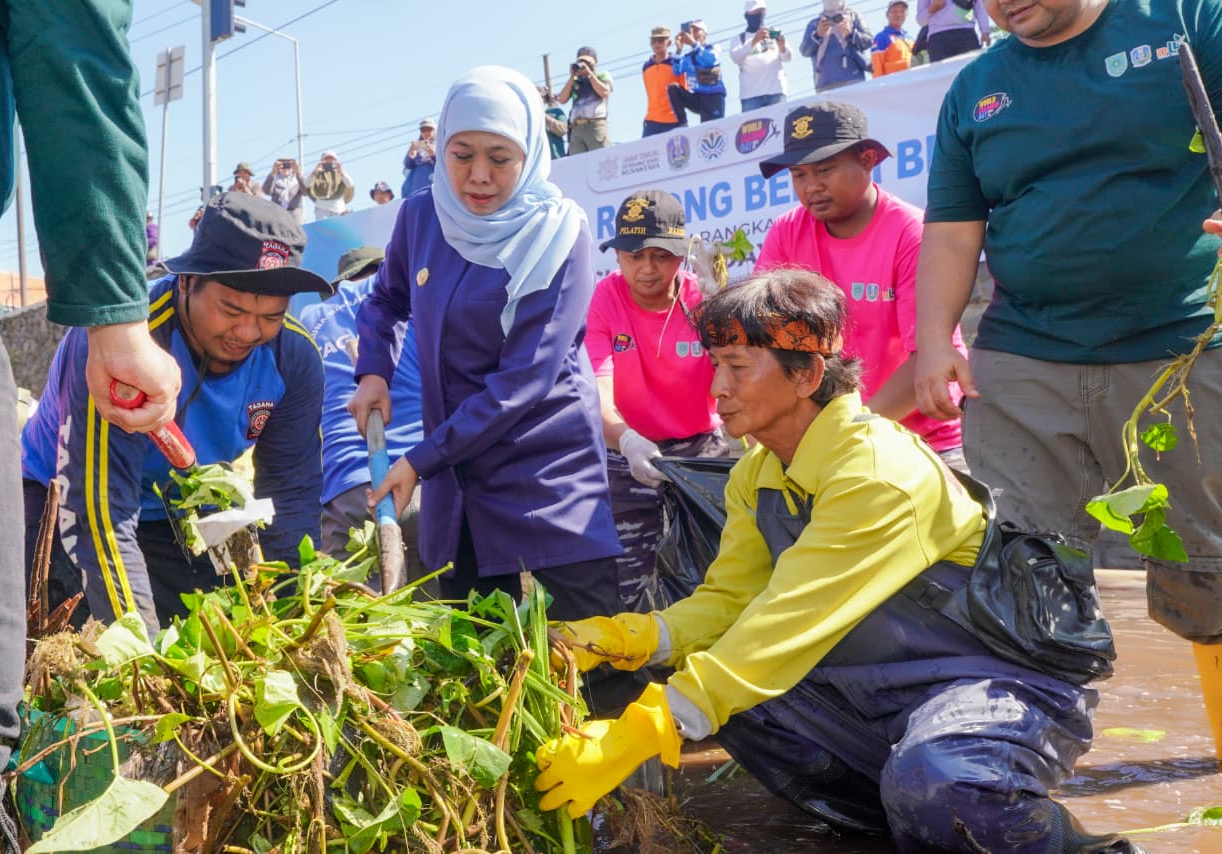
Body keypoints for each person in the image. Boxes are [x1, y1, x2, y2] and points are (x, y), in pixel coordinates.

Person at [534, 270, 1140, 854]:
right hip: (883, 685)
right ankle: (901, 801)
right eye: (716, 365)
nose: (716, 388)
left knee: (945, 788)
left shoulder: (875, 472)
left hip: (991, 682)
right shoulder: (759, 469)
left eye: (738, 368)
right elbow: (727, 606)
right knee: (731, 693)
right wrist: (628, 637)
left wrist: (640, 732)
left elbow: (785, 624)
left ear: (807, 375)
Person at [915, 0, 1222, 756]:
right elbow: (955, 228)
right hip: (1025, 361)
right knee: (1025, 566)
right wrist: (933, 339)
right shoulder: (977, 87)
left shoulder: (1189, 21)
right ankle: (1013, 776)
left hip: (1184, 351)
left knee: (1209, 571)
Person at [0, 2, 181, 850]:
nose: (250, 329)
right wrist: (116, 315)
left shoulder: (293, 361)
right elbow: (70, 32)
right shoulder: (141, 343)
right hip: (47, 484)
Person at [348, 65, 622, 621]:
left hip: (547, 481)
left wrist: (422, 460)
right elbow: (385, 300)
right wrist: (374, 370)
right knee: (478, 678)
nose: (477, 176)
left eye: (500, 158)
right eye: (461, 154)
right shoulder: (422, 215)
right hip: (461, 491)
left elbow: (524, 381)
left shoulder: (558, 234)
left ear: (529, 154)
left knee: (588, 663)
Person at [21, 192, 330, 637]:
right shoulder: (121, 342)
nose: (248, 333)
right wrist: (136, 649)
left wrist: (292, 623)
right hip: (63, 497)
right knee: (72, 641)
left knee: (216, 635)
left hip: (175, 512)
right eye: (232, 309)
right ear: (186, 282)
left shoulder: (295, 359)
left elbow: (292, 497)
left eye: (271, 316)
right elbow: (99, 511)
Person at [755, 101, 966, 469]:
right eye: (799, 174)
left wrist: (847, 431)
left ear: (868, 159)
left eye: (824, 169)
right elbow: (762, 338)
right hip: (830, 442)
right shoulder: (787, 232)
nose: (812, 186)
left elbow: (927, 357)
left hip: (923, 441)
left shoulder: (911, 234)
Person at [586, 190, 727, 611]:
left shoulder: (700, 298)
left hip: (700, 451)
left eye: (660, 256)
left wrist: (725, 314)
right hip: (626, 451)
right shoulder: (605, 300)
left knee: (714, 566)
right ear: (616, 256)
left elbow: (737, 375)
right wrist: (626, 440)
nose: (646, 269)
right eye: (633, 255)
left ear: (682, 255)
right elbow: (598, 392)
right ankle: (638, 667)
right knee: (629, 580)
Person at [299, 246, 424, 575]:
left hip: (348, 489)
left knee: (360, 620)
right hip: (421, 477)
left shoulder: (311, 317)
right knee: (440, 618)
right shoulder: (412, 299)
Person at [730, 0, 792, 112]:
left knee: (780, 126)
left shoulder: (774, 32)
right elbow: (736, 57)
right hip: (750, 96)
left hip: (776, 91)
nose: (759, 15)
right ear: (747, 15)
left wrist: (782, 47)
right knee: (753, 129)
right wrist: (754, 41)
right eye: (755, 12)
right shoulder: (739, 38)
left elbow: (788, 57)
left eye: (762, 11)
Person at [800, 0, 873, 93]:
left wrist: (851, 33)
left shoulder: (854, 16)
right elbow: (805, 51)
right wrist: (818, 34)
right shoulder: (814, 24)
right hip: (824, 84)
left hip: (853, 79)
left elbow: (869, 41)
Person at [556, 47, 613, 155]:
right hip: (577, 128)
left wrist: (590, 74)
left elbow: (604, 92)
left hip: (595, 125)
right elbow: (562, 99)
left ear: (595, 61)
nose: (583, 64)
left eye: (586, 62)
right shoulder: (576, 80)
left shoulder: (602, 75)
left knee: (601, 160)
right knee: (579, 166)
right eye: (580, 61)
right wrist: (572, 76)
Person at [669, 21, 727, 125]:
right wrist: (678, 50)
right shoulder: (689, 56)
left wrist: (694, 44)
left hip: (713, 96)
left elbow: (710, 59)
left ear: (705, 34)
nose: (693, 34)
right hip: (697, 96)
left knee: (711, 128)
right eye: (691, 31)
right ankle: (682, 124)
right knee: (673, 88)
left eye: (697, 30)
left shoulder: (714, 48)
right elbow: (676, 71)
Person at [642, 26, 686, 136]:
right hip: (651, 120)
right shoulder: (646, 67)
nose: (657, 44)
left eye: (661, 41)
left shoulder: (676, 64)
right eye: (653, 41)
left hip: (673, 120)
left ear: (669, 42)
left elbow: (684, 90)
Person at [917, 0, 991, 62]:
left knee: (972, 72)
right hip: (938, 38)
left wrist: (985, 30)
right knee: (941, 75)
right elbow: (921, 21)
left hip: (967, 34)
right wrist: (932, 8)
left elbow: (980, 7)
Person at [307, 150, 355, 219]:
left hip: (338, 208)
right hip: (321, 208)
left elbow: (350, 184)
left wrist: (341, 172)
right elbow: (307, 185)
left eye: (332, 159)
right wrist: (315, 172)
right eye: (326, 159)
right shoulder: (317, 173)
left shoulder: (340, 173)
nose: (329, 161)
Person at [872, 0, 914, 76]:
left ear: (906, 14)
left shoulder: (911, 39)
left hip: (913, 83)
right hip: (893, 85)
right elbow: (877, 68)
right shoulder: (881, 37)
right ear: (887, 14)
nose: (898, 14)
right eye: (895, 11)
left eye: (902, 11)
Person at [262, 157, 306, 223]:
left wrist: (298, 173)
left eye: (288, 166)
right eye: (283, 166)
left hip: (294, 213)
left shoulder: (297, 179)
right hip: (278, 213)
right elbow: (266, 191)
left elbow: (306, 192)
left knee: (299, 229)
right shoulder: (274, 179)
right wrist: (273, 172)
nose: (286, 168)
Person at [401, 117, 437, 197]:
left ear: (434, 130)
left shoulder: (440, 145)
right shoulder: (417, 146)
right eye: (423, 130)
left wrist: (433, 155)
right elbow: (408, 165)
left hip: (434, 185)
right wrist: (411, 152)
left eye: (429, 129)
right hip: (417, 187)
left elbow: (445, 165)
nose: (426, 132)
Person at [538, 86, 570, 158]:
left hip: (557, 159)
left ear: (544, 97)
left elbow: (563, 130)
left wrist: (543, 115)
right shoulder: (529, 116)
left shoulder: (556, 111)